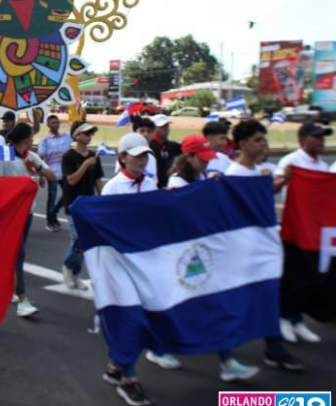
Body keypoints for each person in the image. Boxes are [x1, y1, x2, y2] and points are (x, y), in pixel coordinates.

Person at [155, 134, 261, 382]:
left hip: (203, 253)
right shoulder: (177, 183)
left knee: (215, 304)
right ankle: (160, 348)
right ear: (188, 157)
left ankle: (227, 361)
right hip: (183, 257)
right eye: (201, 159)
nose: (206, 163)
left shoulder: (201, 177)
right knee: (179, 306)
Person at [225, 119, 305, 372]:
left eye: (264, 140)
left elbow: (262, 197)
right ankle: (224, 353)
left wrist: (278, 182)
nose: (263, 145)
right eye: (258, 140)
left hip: (264, 246)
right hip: (243, 249)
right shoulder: (234, 175)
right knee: (236, 301)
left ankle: (274, 347)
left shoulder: (262, 173)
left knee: (269, 294)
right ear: (243, 143)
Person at [101, 132, 157, 406]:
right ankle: (129, 379)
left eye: (146, 155)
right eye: (137, 156)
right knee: (128, 320)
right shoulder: (113, 187)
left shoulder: (150, 185)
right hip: (119, 265)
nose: (143, 160)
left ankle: (116, 366)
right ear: (123, 158)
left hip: (144, 264)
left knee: (138, 319)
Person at [273, 120, 332, 344]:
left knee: (309, 276)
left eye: (322, 137)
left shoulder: (322, 167)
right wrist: (286, 177)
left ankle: (298, 320)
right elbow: (277, 186)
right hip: (294, 228)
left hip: (315, 231)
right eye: (316, 136)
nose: (320, 141)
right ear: (302, 140)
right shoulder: (291, 161)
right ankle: (285, 318)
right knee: (292, 275)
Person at [0, 122, 56, 318]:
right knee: (18, 255)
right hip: (10, 214)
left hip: (27, 213)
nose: (33, 139)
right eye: (31, 136)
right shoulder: (6, 153)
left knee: (14, 255)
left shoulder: (31, 156)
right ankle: (22, 300)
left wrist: (36, 168)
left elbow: (51, 176)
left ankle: (5, 289)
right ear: (24, 138)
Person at [60, 121, 103, 291]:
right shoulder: (69, 157)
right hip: (74, 204)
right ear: (76, 136)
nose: (88, 136)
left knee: (84, 241)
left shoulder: (93, 155)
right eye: (85, 133)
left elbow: (98, 181)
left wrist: (104, 199)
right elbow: (70, 180)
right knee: (78, 240)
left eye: (90, 133)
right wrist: (85, 165)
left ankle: (75, 275)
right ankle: (68, 267)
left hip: (90, 204)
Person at [38, 114, 73, 232]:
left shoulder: (66, 136)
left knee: (68, 194)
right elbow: (41, 158)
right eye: (53, 123)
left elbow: (77, 134)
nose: (56, 125)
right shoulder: (45, 140)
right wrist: (41, 175)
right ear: (48, 125)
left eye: (57, 122)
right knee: (51, 197)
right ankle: (50, 221)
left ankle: (54, 212)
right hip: (51, 172)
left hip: (65, 172)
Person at [148, 114, 181, 188]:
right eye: (162, 126)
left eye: (167, 126)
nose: (166, 128)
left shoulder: (172, 145)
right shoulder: (148, 146)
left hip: (170, 187)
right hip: (154, 188)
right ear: (153, 128)